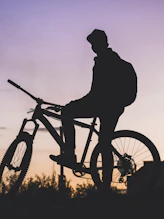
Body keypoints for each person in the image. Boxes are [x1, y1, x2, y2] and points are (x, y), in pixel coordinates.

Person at [50, 29, 137, 172]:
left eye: (94, 43)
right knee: (104, 143)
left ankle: (70, 155)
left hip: (103, 104)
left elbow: (96, 92)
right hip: (114, 107)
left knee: (67, 112)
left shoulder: (104, 62)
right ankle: (105, 185)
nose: (92, 47)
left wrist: (74, 104)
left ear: (102, 42)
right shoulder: (112, 60)